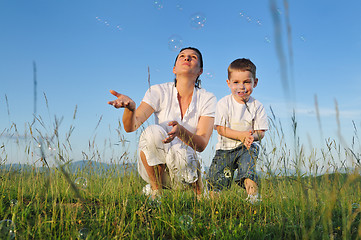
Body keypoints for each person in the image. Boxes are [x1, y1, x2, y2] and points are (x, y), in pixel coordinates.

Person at [108, 47, 216, 199]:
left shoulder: (207, 98)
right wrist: (131, 109)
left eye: (193, 57)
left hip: (186, 170)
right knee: (152, 131)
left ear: (200, 71)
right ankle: (155, 191)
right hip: (157, 167)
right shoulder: (158, 91)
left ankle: (198, 194)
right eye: (182, 56)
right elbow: (131, 126)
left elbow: (202, 144)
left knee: (181, 152)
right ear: (174, 69)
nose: (187, 58)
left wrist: (181, 132)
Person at [206, 58, 268, 203]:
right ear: (228, 83)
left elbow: (261, 132)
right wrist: (240, 135)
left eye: (246, 82)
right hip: (224, 149)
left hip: (247, 147)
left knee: (248, 172)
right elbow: (220, 129)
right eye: (236, 82)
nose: (241, 86)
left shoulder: (257, 106)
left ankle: (253, 198)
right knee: (218, 178)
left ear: (255, 82)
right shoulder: (224, 103)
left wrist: (252, 136)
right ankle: (215, 204)